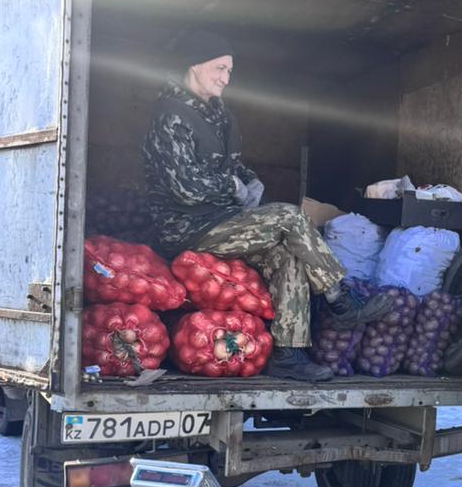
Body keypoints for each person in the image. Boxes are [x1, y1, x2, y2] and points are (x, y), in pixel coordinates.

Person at [143, 30, 390, 381]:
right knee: (290, 217)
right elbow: (185, 187)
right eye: (220, 68)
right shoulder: (170, 117)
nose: (226, 78)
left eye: (229, 71)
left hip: (222, 220)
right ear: (195, 64)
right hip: (187, 228)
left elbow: (229, 165)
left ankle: (288, 354)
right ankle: (339, 298)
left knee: (288, 254)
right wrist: (232, 186)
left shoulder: (218, 114)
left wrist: (249, 179)